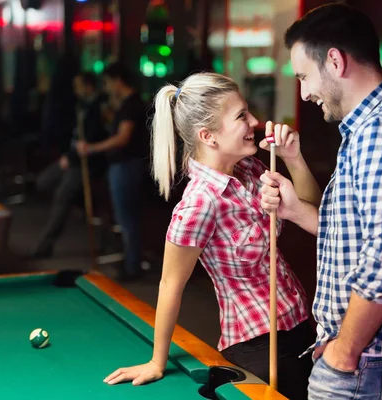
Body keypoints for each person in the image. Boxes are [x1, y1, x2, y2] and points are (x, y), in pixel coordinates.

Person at [259, 4, 382, 399]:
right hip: (371, 360)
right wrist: (294, 210)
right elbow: (359, 235)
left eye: (305, 77)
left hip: (367, 362)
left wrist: (345, 350)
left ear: (336, 61)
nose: (305, 92)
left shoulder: (380, 131)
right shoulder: (377, 122)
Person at [101, 72, 315, 399]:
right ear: (208, 136)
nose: (255, 121)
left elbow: (310, 209)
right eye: (242, 116)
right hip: (259, 346)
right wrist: (158, 361)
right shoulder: (200, 204)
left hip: (301, 325)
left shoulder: (251, 169)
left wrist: (293, 159)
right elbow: (170, 284)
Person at [77, 63, 148, 281]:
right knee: (128, 218)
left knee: (128, 220)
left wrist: (91, 148)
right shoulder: (130, 104)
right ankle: (131, 262)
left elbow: (122, 138)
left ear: (118, 80)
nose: (107, 88)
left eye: (108, 83)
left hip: (127, 167)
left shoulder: (131, 105)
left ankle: (132, 266)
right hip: (128, 166)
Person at [31, 72, 108, 258]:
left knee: (61, 196)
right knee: (41, 182)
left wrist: (72, 158)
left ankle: (44, 247)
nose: (75, 90)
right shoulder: (81, 105)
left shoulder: (101, 107)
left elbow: (95, 138)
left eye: (78, 85)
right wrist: (68, 155)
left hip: (87, 163)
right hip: (72, 158)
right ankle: (77, 201)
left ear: (88, 86)